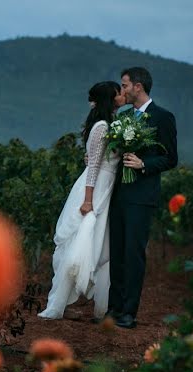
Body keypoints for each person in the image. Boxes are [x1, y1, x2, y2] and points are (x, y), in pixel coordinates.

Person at [38, 81, 125, 320]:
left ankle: (103, 308)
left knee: (101, 243)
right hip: (94, 189)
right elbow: (94, 165)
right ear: (111, 97)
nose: (122, 95)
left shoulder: (113, 124)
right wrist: (88, 201)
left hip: (106, 189)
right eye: (118, 93)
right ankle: (56, 305)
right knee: (82, 241)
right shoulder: (101, 126)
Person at [105, 67, 179, 329]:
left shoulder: (163, 117)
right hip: (119, 194)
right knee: (118, 252)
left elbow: (171, 158)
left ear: (138, 87)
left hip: (142, 196)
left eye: (124, 85)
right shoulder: (124, 116)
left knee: (134, 254)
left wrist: (143, 163)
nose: (122, 90)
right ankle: (113, 309)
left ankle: (128, 313)